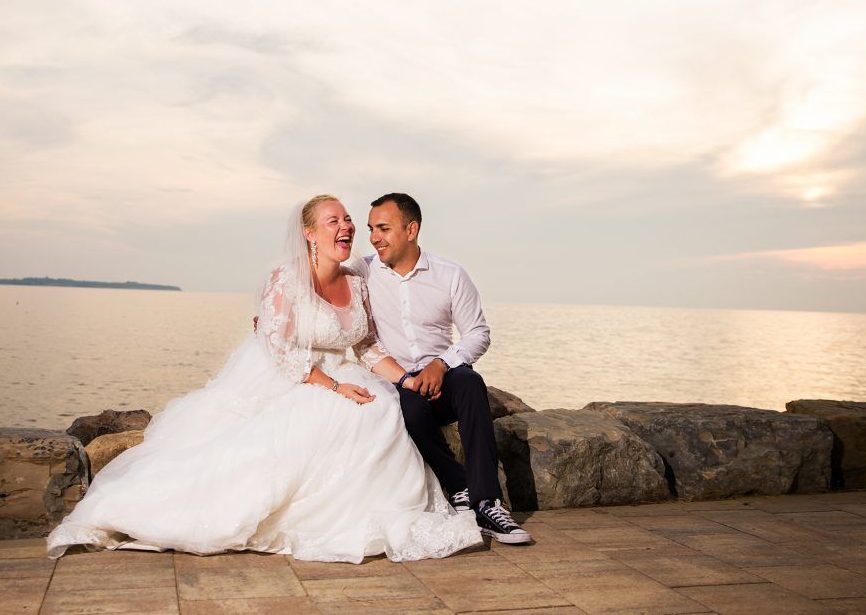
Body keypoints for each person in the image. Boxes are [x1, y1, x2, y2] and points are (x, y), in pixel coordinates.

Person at [46, 195, 483, 563]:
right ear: (309, 234)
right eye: (334, 221)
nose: (347, 227)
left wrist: (405, 380)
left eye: (348, 220)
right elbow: (278, 346)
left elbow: (367, 345)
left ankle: (387, 508)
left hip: (342, 372)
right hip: (290, 375)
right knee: (315, 422)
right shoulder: (287, 277)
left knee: (382, 408)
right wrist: (332, 387)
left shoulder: (358, 280)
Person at [356, 193, 532, 544]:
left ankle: (487, 502)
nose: (374, 237)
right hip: (398, 382)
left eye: (383, 228)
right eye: (371, 229)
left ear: (411, 230)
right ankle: (459, 485)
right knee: (408, 407)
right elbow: (316, 280)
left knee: (470, 382)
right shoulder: (363, 271)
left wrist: (442, 364)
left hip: (445, 377)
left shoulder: (450, 275)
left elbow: (478, 332)